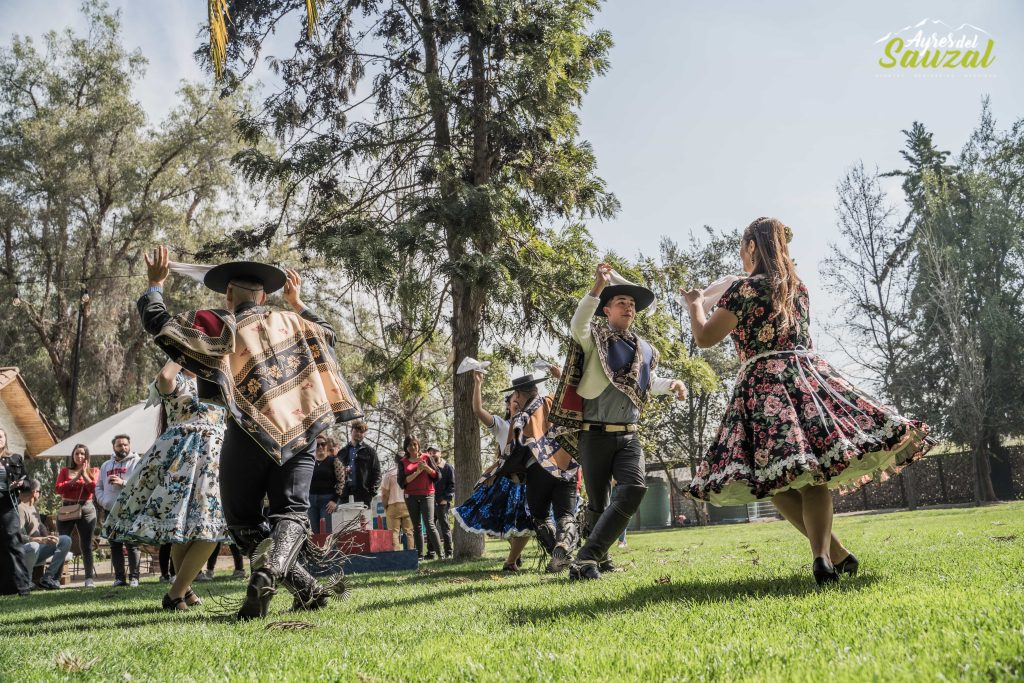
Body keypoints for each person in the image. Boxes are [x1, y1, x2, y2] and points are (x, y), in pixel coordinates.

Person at [684, 217, 933, 585]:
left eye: (742, 247)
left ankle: (828, 555)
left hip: (763, 387)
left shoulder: (742, 290)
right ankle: (828, 555)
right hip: (806, 380)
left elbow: (705, 338)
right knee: (812, 474)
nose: (741, 254)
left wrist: (694, 306)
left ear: (752, 246)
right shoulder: (797, 288)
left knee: (769, 478)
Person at [139, 246, 362, 619]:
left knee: (242, 521)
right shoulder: (295, 323)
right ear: (266, 296)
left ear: (228, 294)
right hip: (300, 433)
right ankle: (286, 580)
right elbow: (330, 335)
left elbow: (160, 324)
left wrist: (156, 285)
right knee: (290, 512)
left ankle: (284, 580)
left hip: (246, 433)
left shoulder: (220, 325)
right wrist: (299, 302)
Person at [550, 263, 688, 581]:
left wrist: (673, 385)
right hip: (593, 435)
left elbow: (647, 382)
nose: (628, 307)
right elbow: (577, 322)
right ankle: (599, 557)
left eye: (631, 304)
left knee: (635, 487)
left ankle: (586, 556)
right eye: (621, 303)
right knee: (598, 502)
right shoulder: (593, 338)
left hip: (629, 435)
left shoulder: (645, 349)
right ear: (607, 309)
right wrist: (597, 286)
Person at [104, 361, 230, 610]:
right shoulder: (176, 380)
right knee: (183, 529)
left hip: (214, 460)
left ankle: (182, 589)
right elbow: (164, 375)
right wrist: (181, 345)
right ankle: (176, 593)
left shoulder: (218, 381)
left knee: (210, 526)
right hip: (181, 460)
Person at [499, 372, 581, 573]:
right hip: (566, 466)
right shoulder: (553, 400)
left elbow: (512, 449)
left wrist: (503, 469)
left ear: (518, 394)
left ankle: (558, 553)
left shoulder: (521, 417)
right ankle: (563, 547)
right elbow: (575, 396)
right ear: (535, 390)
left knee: (540, 517)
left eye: (516, 395)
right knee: (566, 515)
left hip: (537, 470)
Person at [457, 372, 532, 571]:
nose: (515, 402)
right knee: (507, 524)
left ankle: (511, 561)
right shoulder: (501, 424)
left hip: (530, 481)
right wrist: (478, 383)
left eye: (518, 398)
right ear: (508, 405)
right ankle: (513, 557)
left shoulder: (533, 421)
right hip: (507, 481)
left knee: (527, 522)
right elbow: (478, 409)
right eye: (511, 400)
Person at [95, 434, 141, 587]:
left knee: (132, 544)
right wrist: (103, 501)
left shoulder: (137, 462)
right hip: (111, 510)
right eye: (119, 445)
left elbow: (142, 484)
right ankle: (120, 578)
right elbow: (99, 486)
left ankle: (134, 578)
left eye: (125, 445)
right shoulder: (106, 465)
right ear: (113, 447)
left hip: (130, 509)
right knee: (115, 544)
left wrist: (123, 483)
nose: (123, 448)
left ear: (130, 445)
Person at [55, 443, 100, 588]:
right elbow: (58, 489)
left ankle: (88, 579)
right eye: (77, 454)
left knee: (86, 545)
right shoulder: (64, 471)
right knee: (63, 542)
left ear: (87, 456)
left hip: (86, 508)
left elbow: (95, 489)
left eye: (82, 454)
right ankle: (55, 579)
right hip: (67, 507)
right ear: (72, 456)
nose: (79, 456)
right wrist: (75, 479)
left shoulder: (94, 470)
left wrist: (84, 475)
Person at [18, 480, 71, 590]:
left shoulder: (34, 507)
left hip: (39, 550)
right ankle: (26, 581)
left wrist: (49, 537)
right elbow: (18, 537)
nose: (40, 494)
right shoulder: (21, 509)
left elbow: (40, 525)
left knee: (65, 540)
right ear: (34, 492)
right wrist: (41, 540)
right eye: (40, 491)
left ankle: (48, 578)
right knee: (34, 545)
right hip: (27, 551)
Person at [399, 436, 443, 560]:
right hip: (410, 496)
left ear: (418, 445)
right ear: (406, 447)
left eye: (414, 444)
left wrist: (426, 468)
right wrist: (417, 472)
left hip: (427, 494)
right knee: (416, 526)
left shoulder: (427, 458)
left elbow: (437, 475)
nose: (412, 447)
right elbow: (402, 482)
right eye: (409, 445)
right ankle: (419, 556)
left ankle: (441, 554)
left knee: (429, 524)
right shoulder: (403, 462)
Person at [0, 428, 31, 596]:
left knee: (14, 543)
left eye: (1, 436)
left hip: (7, 503)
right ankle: (5, 588)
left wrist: (20, 484)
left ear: (5, 439)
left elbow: (28, 482)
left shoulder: (15, 458)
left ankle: (22, 586)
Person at [308, 435, 344, 534]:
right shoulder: (309, 462)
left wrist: (335, 500)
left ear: (327, 446)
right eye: (317, 445)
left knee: (327, 533)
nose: (320, 447)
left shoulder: (334, 461)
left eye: (322, 444)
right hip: (311, 502)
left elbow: (341, 481)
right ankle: (317, 550)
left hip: (328, 502)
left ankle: (329, 550)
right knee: (314, 533)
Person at [340, 422, 381, 508]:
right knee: (346, 521)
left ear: (364, 434)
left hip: (363, 494)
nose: (358, 434)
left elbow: (377, 474)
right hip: (345, 494)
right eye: (356, 431)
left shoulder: (370, 452)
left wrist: (372, 492)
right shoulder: (342, 452)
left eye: (361, 432)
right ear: (351, 431)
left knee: (363, 521)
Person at [379, 456, 414, 551]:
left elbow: (385, 494)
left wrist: (385, 506)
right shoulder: (411, 472)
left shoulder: (389, 474)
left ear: (395, 461)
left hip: (393, 505)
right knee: (409, 532)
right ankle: (410, 554)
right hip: (408, 503)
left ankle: (397, 555)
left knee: (394, 532)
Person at [428, 446, 455, 559]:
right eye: (430, 452)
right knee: (430, 527)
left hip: (442, 502)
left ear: (440, 453)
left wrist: (446, 499)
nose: (432, 454)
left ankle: (448, 552)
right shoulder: (428, 467)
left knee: (444, 527)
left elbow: (452, 485)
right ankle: (431, 553)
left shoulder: (448, 467)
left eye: (434, 452)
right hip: (429, 502)